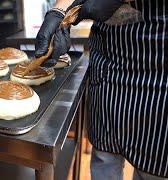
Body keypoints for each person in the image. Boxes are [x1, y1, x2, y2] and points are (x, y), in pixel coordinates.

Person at [35, 0, 168, 179]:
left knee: (151, 168)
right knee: (104, 156)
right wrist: (58, 12)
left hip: (157, 59)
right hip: (107, 59)